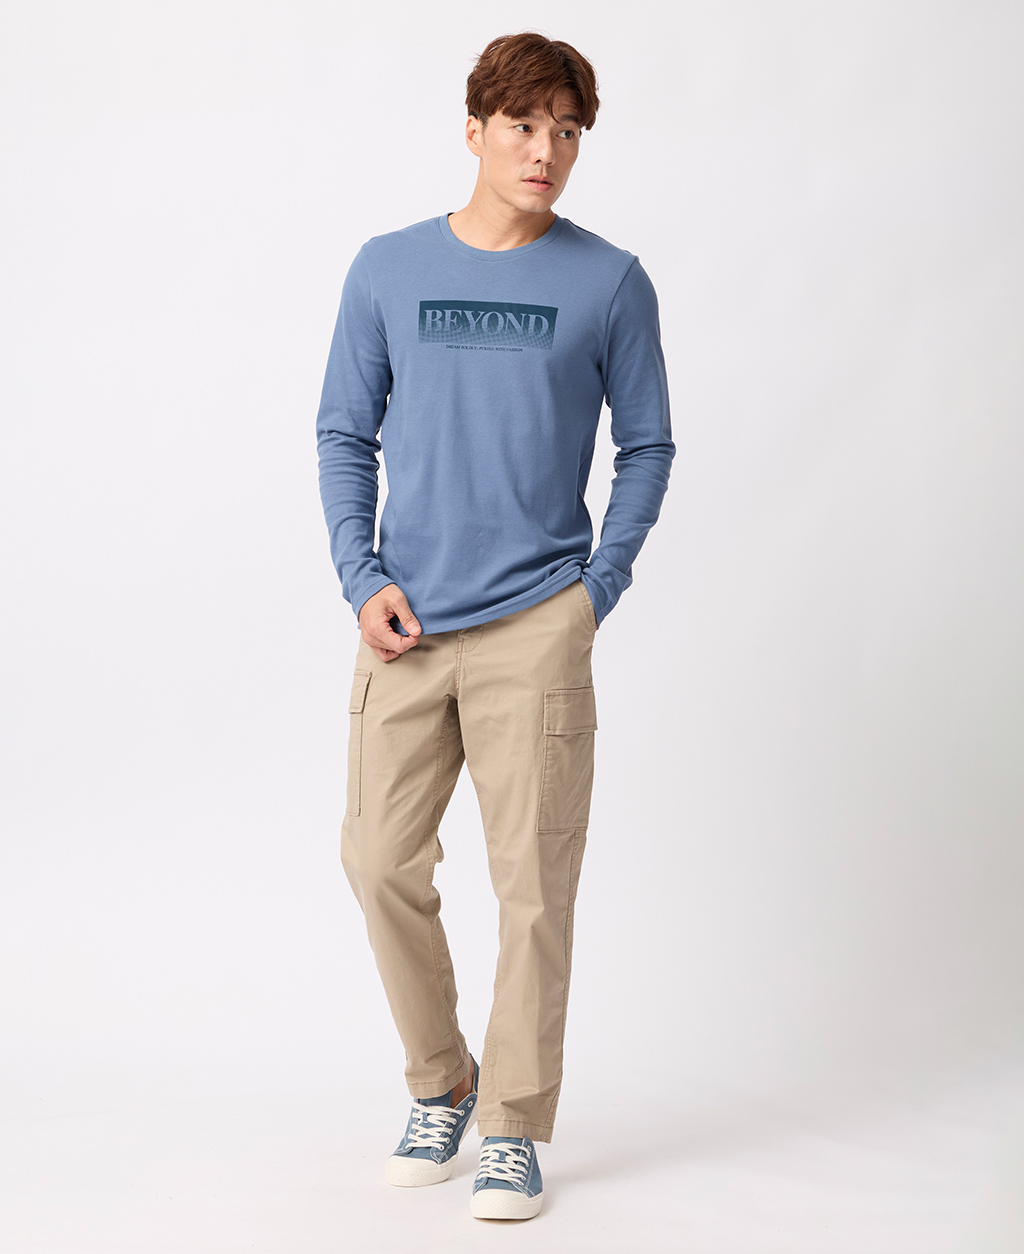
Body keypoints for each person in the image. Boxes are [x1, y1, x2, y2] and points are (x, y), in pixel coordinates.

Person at [315, 30, 674, 1221]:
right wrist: (360, 574)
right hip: (405, 622)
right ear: (474, 130)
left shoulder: (608, 282)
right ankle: (444, 1081)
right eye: (523, 124)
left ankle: (514, 1124)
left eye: (566, 131)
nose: (545, 150)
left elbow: (647, 445)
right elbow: (343, 431)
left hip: (536, 626)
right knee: (376, 862)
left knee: (533, 887)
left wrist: (594, 591)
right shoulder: (386, 268)